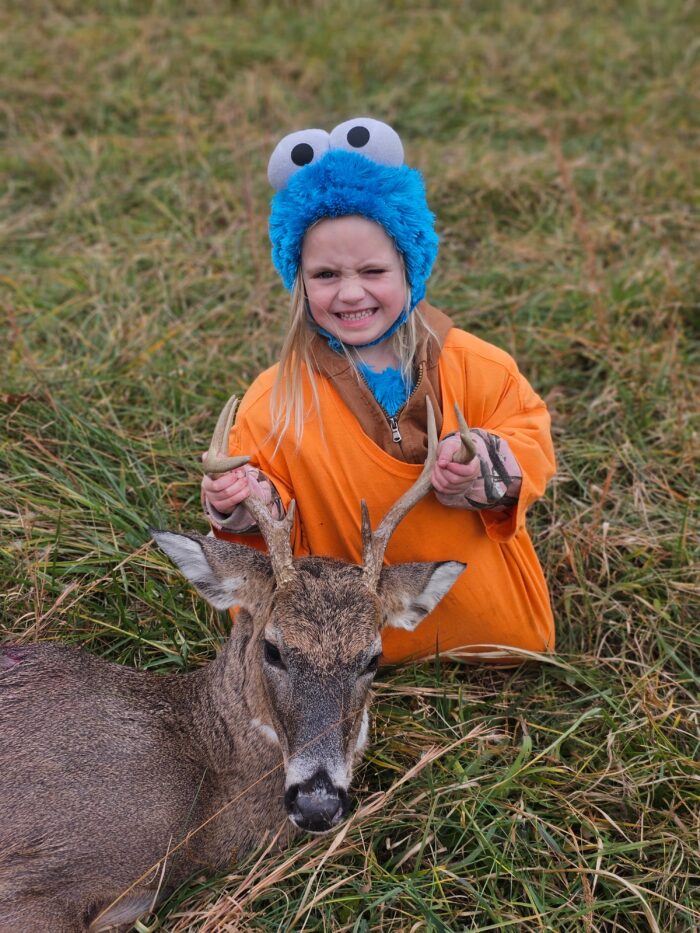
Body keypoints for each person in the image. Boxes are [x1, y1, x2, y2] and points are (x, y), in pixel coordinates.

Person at [201, 117, 556, 664]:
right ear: (297, 282)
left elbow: (531, 445)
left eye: (373, 270)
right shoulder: (275, 402)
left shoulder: (481, 368)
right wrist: (241, 504)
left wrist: (490, 465)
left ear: (410, 268)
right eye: (323, 276)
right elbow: (261, 506)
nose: (350, 293)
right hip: (341, 654)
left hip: (489, 636)